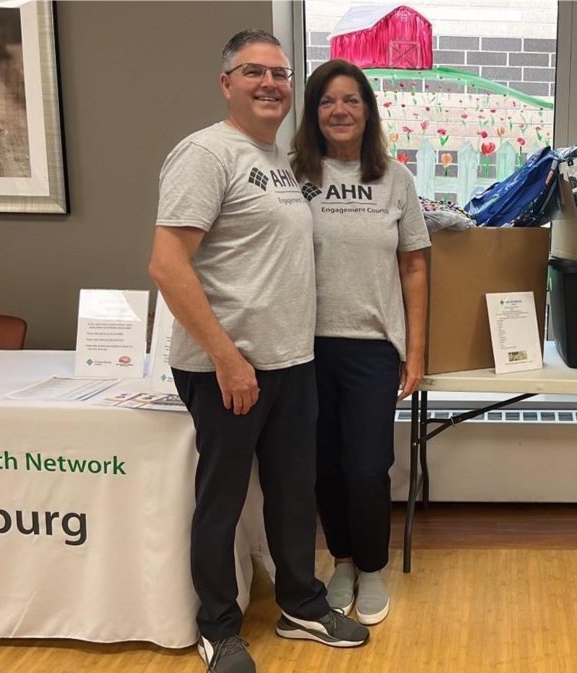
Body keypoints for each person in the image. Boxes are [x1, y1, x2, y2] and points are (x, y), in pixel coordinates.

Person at [149, 30, 369, 672]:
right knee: (220, 502)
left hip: (290, 362)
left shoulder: (278, 161)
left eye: (280, 73)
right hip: (228, 369)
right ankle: (217, 626)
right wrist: (226, 358)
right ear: (226, 83)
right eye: (254, 72)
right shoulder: (205, 154)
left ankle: (301, 604)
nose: (270, 83)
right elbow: (167, 265)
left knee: (293, 494)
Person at [290, 59, 430, 626]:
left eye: (351, 100)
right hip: (303, 346)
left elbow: (414, 267)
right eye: (327, 101)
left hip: (373, 347)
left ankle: (372, 567)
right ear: (313, 113)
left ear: (368, 110)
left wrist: (415, 351)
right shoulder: (292, 175)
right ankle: (343, 562)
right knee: (323, 464)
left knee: (368, 466)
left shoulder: (395, 179)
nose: (340, 110)